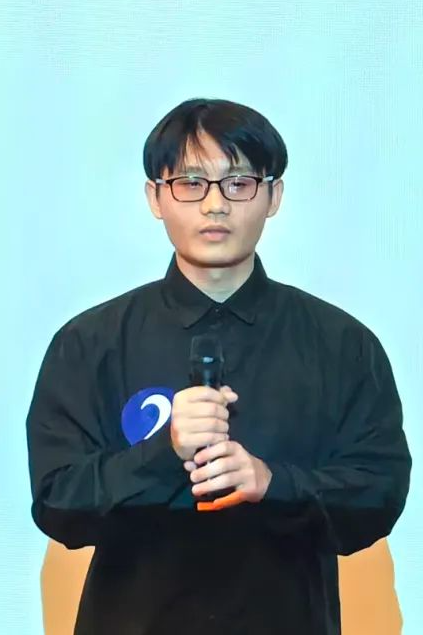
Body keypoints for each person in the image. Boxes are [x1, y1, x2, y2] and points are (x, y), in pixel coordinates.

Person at [26, 97, 412, 635]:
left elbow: (379, 494)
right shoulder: (90, 343)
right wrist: (164, 454)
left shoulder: (343, 344)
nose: (214, 205)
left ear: (273, 196)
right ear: (155, 197)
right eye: (190, 182)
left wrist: (273, 484)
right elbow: (57, 504)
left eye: (238, 183)